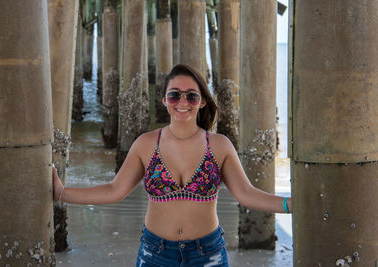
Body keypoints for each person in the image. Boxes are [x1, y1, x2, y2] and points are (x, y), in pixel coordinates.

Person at [52, 64, 292, 267]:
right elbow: (114, 190)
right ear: (165, 99)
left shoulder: (219, 146)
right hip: (155, 254)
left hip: (208, 253)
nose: (183, 102)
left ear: (202, 102)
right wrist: (62, 193)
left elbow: (247, 194)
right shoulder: (146, 144)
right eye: (175, 94)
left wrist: (290, 204)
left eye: (191, 95)